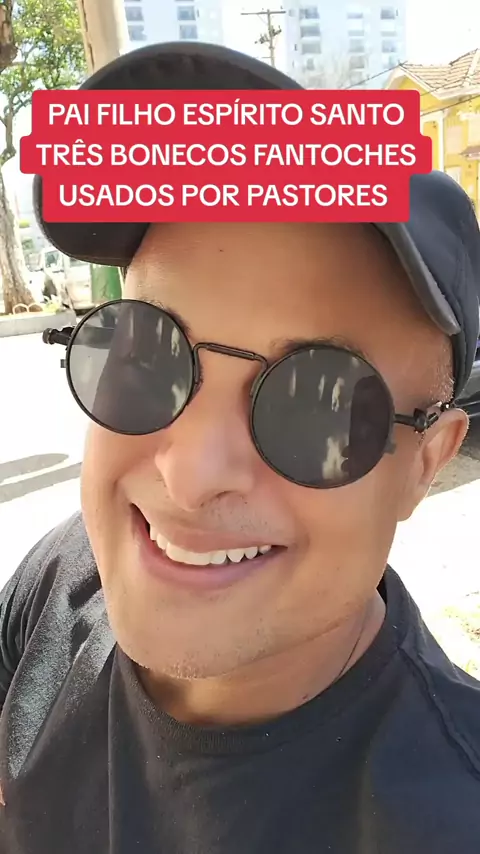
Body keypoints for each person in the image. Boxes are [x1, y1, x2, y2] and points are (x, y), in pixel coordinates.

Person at [1, 42, 480, 854]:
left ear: (427, 463)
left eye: (320, 401)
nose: (189, 474)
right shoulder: (62, 574)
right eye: (146, 352)